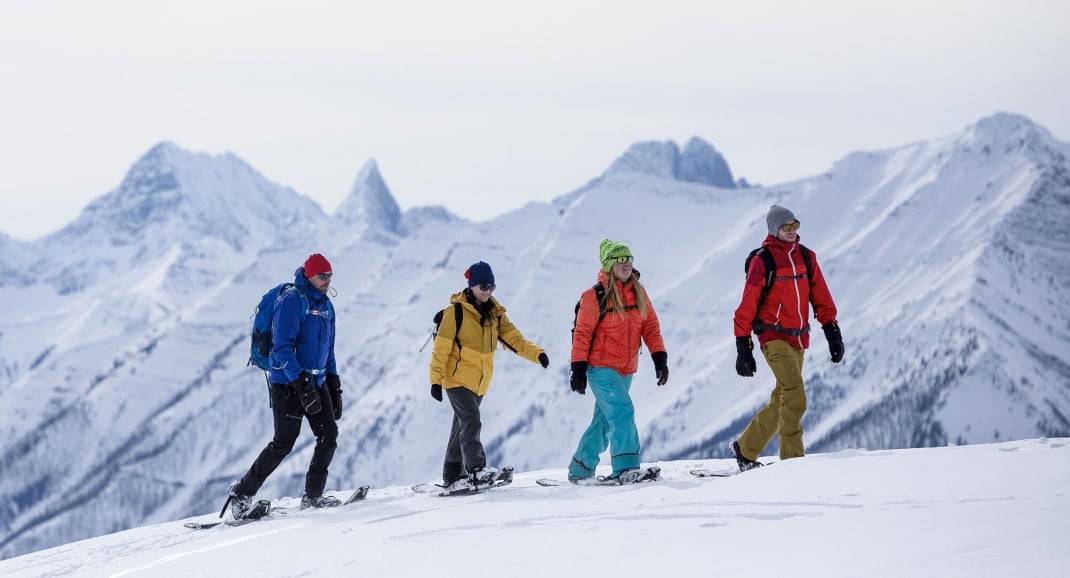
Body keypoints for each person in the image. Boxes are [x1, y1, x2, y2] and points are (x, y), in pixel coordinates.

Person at [228, 253, 344, 517]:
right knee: (283, 442)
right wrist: (302, 385)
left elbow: (330, 348)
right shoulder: (292, 300)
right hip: (288, 384)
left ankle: (313, 496)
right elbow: (281, 348)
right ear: (309, 275)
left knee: (329, 436)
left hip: (318, 381)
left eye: (330, 276)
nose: (327, 281)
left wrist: (334, 384)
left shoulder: (326, 306)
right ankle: (242, 494)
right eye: (322, 276)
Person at [731, 205, 844, 471]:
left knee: (782, 396)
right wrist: (742, 346)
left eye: (795, 226)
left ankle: (745, 449)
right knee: (795, 395)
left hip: (799, 338)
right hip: (772, 336)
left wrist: (832, 332)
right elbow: (747, 304)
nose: (792, 232)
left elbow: (821, 297)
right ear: (774, 229)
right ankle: (793, 464)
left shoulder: (807, 257)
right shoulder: (763, 261)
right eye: (786, 227)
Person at [428, 261, 549, 491]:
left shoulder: (495, 314)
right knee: (471, 419)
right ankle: (476, 470)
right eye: (483, 286)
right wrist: (435, 380)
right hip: (456, 378)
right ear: (472, 286)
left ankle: (452, 475)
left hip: (479, 382)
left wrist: (537, 355)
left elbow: (515, 340)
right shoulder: (456, 312)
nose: (487, 291)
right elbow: (441, 349)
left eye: (491, 286)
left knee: (461, 426)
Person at [567, 239, 669, 484]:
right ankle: (626, 467)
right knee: (623, 412)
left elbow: (651, 327)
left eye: (629, 259)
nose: (627, 264)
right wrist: (578, 368)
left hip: (626, 369)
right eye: (621, 260)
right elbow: (582, 333)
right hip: (600, 368)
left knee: (603, 422)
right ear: (609, 264)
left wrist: (659, 358)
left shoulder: (638, 292)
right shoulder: (594, 296)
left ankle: (581, 467)